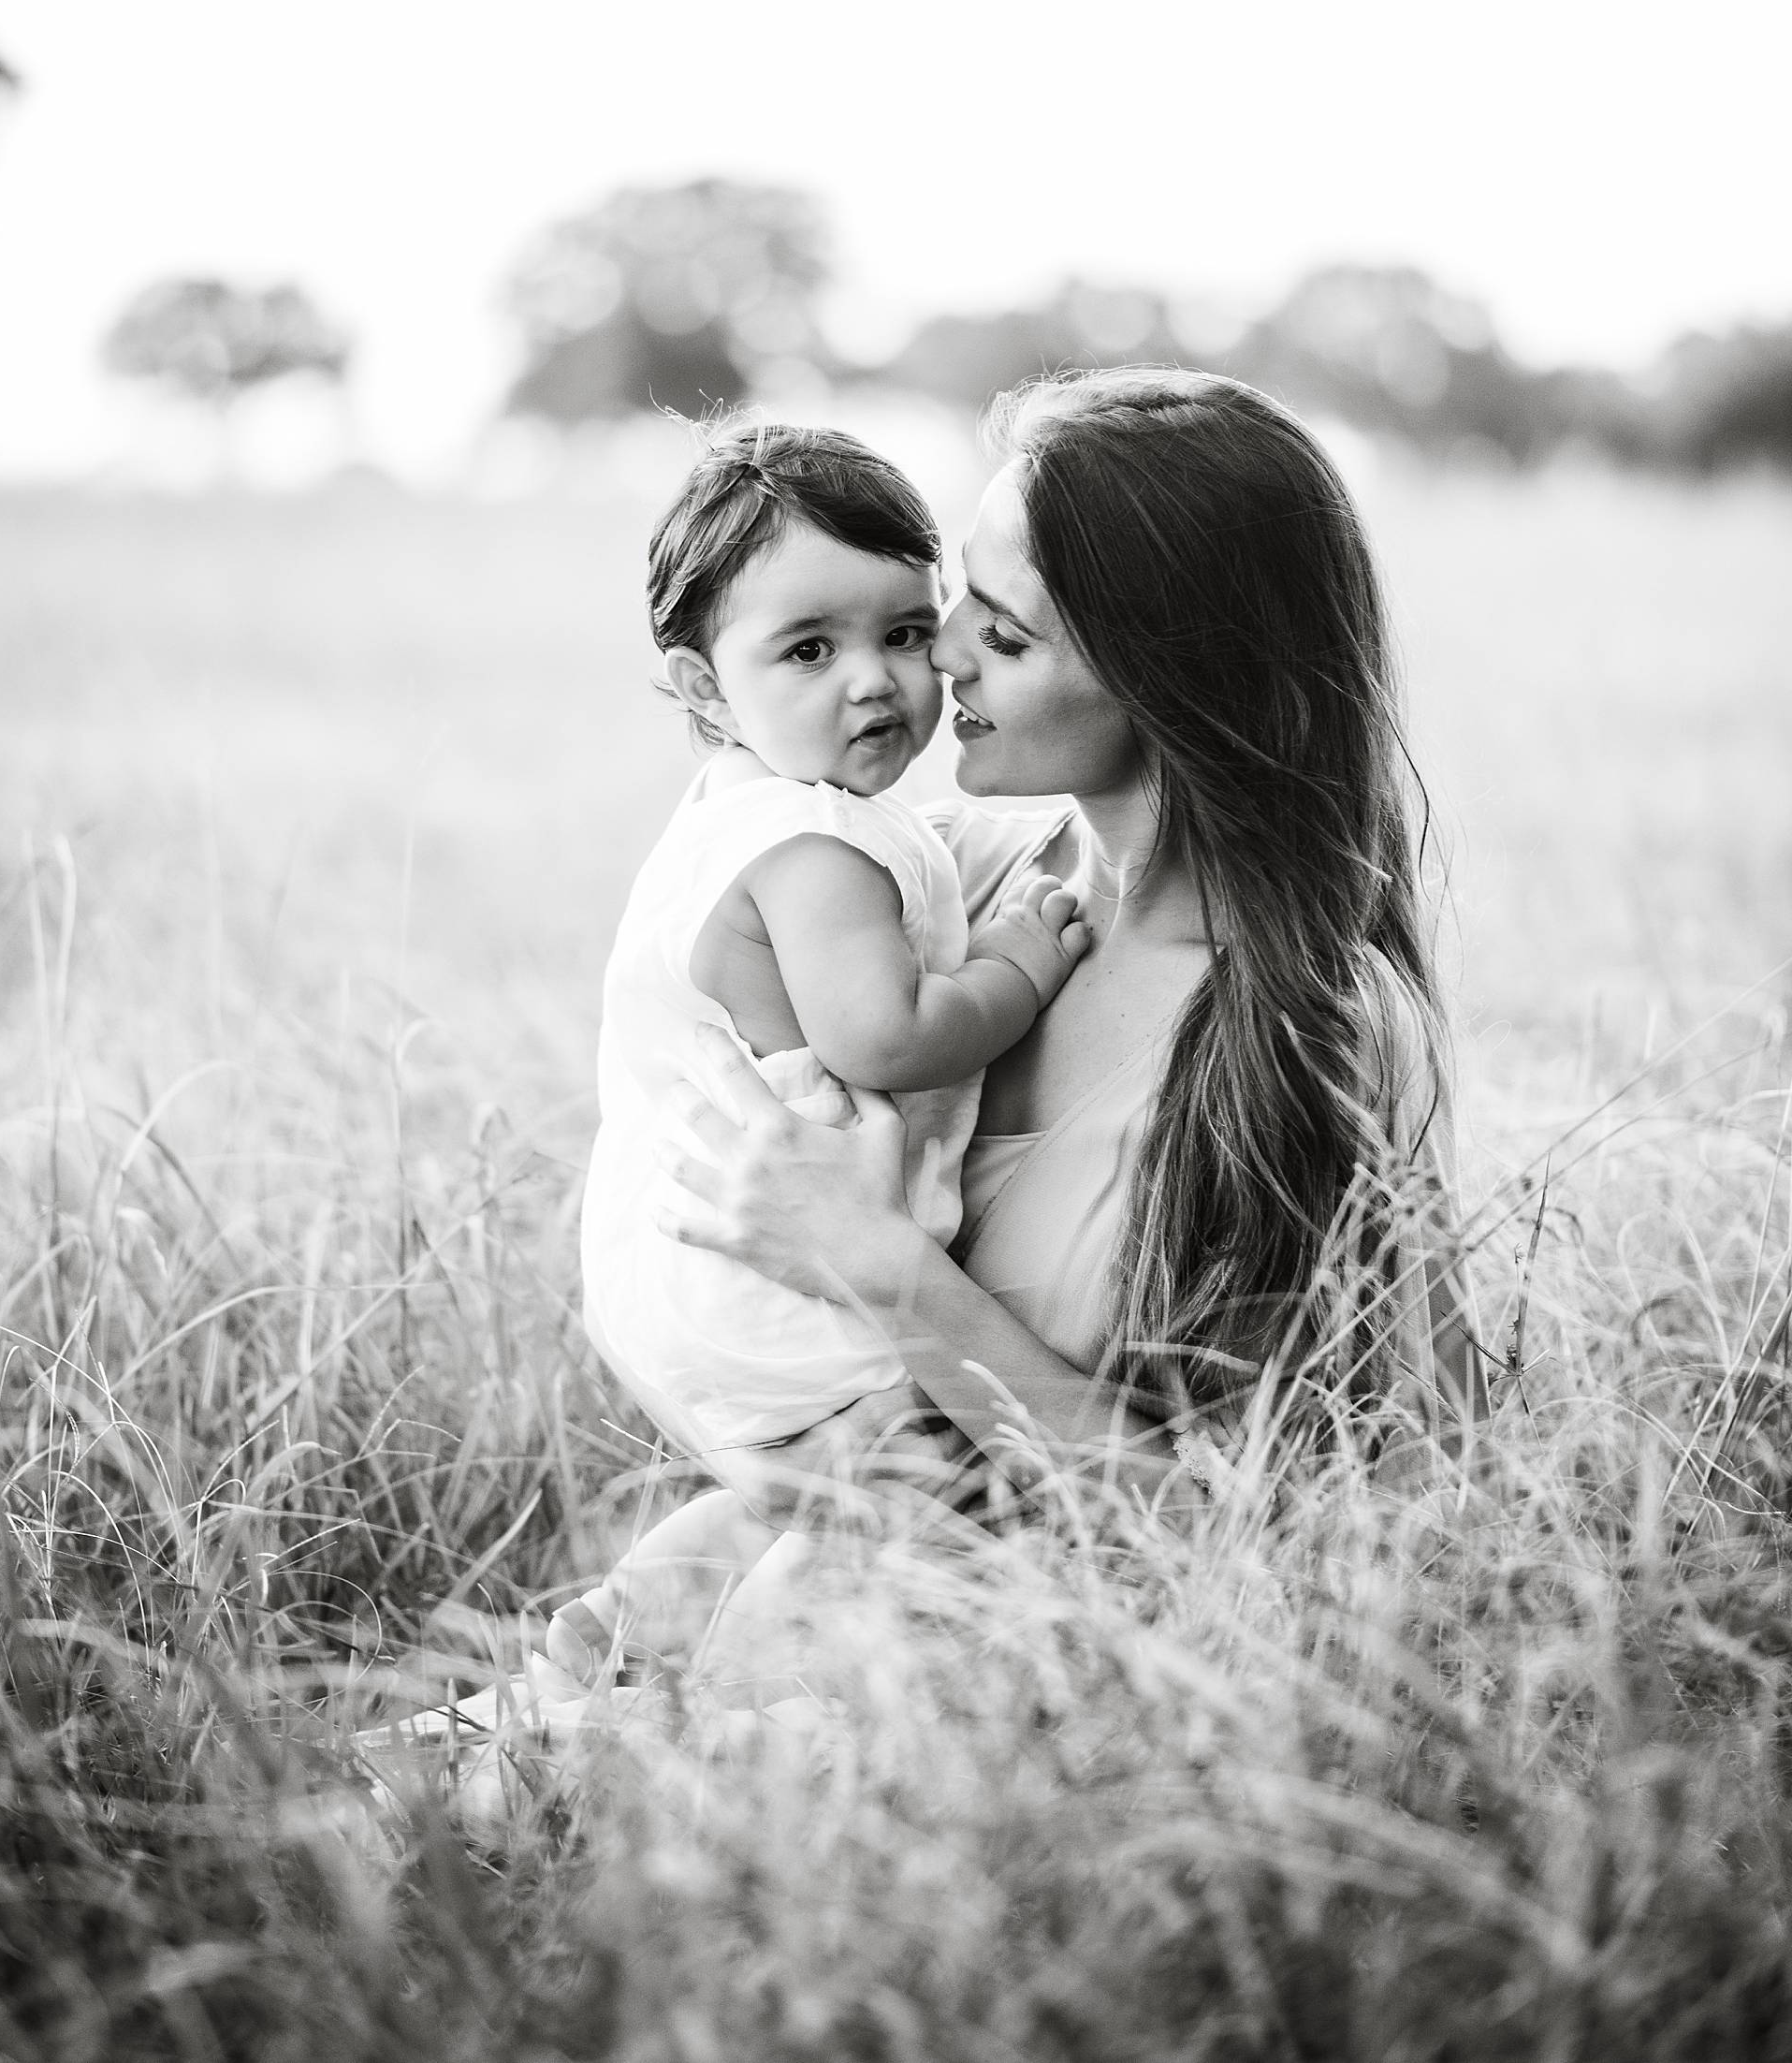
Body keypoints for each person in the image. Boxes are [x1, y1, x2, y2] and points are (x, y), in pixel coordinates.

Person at [545, 367, 1488, 1694]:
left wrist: (885, 1269)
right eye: (955, 606)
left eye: (1005, 631)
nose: (936, 661)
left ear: (1170, 674)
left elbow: (1283, 1545)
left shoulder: (1313, 1037)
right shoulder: (943, 883)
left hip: (1041, 1697)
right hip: (806, 1601)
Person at [580, 419, 1088, 1491]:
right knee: (919, 1479)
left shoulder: (748, 801)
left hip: (691, 1264)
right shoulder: (812, 844)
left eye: (904, 634)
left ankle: (659, 1615)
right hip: (774, 1282)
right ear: (705, 687)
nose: (875, 681)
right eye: (810, 650)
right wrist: (1020, 966)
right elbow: (886, 1040)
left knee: (813, 1501)